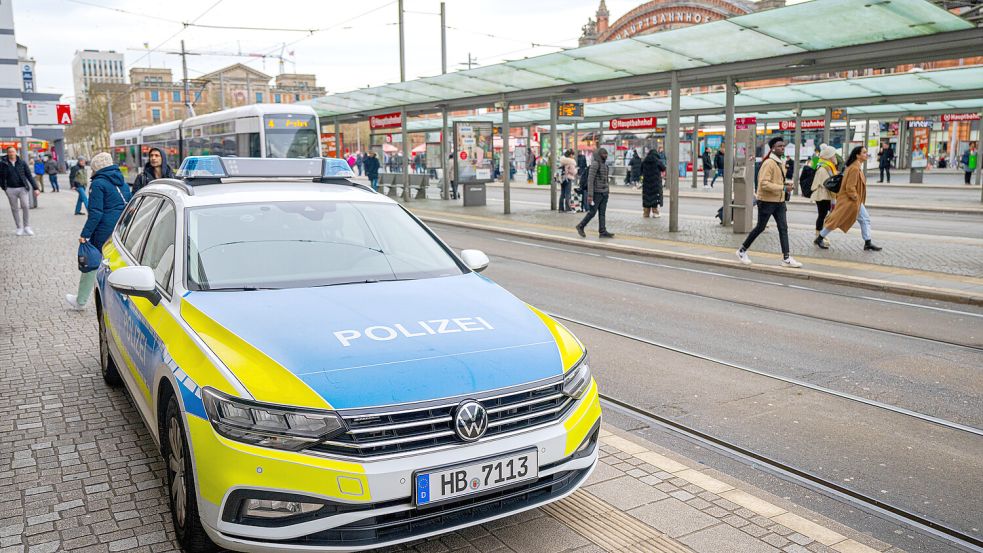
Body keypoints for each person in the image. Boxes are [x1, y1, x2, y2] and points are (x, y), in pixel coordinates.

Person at [66, 153, 132, 310]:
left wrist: (85, 234)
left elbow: (95, 212)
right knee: (118, 262)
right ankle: (122, 300)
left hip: (104, 229)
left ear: (95, 167)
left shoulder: (98, 184)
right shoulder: (121, 180)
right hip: (122, 227)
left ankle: (80, 301)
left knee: (92, 262)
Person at [736, 136, 802, 268]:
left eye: (783, 146)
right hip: (767, 201)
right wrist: (783, 187)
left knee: (783, 228)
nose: (782, 148)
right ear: (772, 148)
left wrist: (785, 185)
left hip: (779, 201)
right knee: (760, 227)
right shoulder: (769, 163)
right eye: (779, 146)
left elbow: (776, 181)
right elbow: (764, 184)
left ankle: (786, 258)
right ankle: (742, 251)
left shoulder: (780, 162)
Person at [816, 146, 881, 251]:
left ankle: (868, 242)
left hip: (852, 200)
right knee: (837, 219)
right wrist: (856, 198)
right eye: (864, 153)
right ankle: (819, 238)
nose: (866, 154)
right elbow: (850, 187)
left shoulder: (855, 166)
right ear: (857, 155)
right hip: (851, 200)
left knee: (862, 219)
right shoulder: (855, 168)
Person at [576, 147, 614, 238]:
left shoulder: (605, 165)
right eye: (603, 154)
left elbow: (605, 180)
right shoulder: (595, 164)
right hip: (597, 193)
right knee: (592, 212)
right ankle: (580, 226)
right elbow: (590, 180)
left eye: (606, 154)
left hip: (604, 193)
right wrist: (590, 195)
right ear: (599, 155)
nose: (605, 156)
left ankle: (602, 231)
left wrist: (607, 190)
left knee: (602, 213)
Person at [2, 146, 40, 235]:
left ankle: (26, 226)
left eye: (13, 151)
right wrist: (4, 187)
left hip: (23, 188)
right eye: (10, 152)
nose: (11, 153)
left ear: (16, 152)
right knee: (14, 208)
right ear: (7, 153)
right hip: (10, 189)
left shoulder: (22, 163)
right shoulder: (3, 164)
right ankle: (19, 227)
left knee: (25, 206)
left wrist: (36, 188)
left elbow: (29, 176)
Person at [810, 144, 837, 248]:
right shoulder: (823, 168)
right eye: (834, 155)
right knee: (822, 215)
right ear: (829, 157)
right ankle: (819, 236)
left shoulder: (828, 167)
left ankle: (821, 235)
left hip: (826, 195)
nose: (835, 157)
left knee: (824, 215)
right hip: (822, 195)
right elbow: (827, 184)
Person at [640, 148, 666, 218]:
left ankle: (646, 213)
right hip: (655, 183)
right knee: (654, 197)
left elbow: (641, 170)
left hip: (646, 183)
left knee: (646, 197)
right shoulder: (657, 161)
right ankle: (655, 212)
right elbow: (663, 168)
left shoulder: (644, 161)